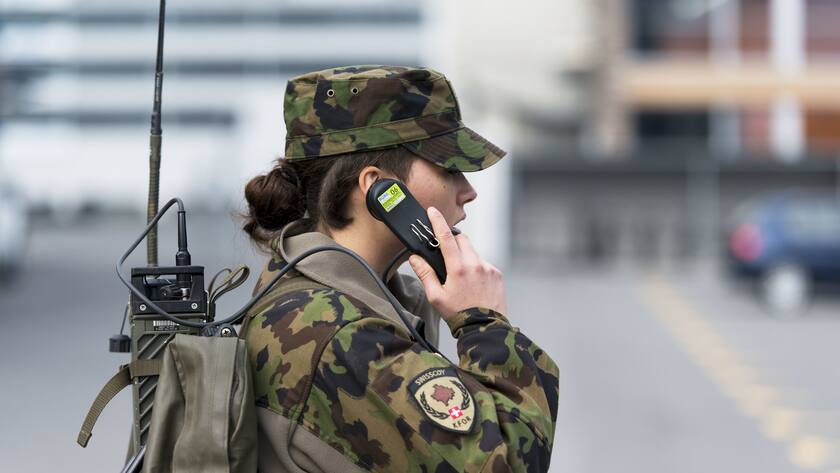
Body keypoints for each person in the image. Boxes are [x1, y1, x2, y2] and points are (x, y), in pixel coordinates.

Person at [241, 65, 559, 472]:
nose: (468, 190)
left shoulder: (316, 297)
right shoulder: (342, 333)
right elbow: (508, 463)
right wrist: (485, 324)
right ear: (380, 189)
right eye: (448, 168)